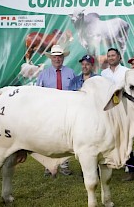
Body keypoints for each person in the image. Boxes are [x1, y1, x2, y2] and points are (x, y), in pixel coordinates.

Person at [36, 44, 75, 176]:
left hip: (67, 111)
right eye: (55, 57)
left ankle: (64, 165)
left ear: (63, 58)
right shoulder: (44, 74)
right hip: (50, 112)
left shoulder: (70, 72)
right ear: (51, 58)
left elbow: (75, 91)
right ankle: (48, 166)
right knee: (48, 138)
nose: (57, 59)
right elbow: (38, 93)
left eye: (59, 57)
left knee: (67, 138)